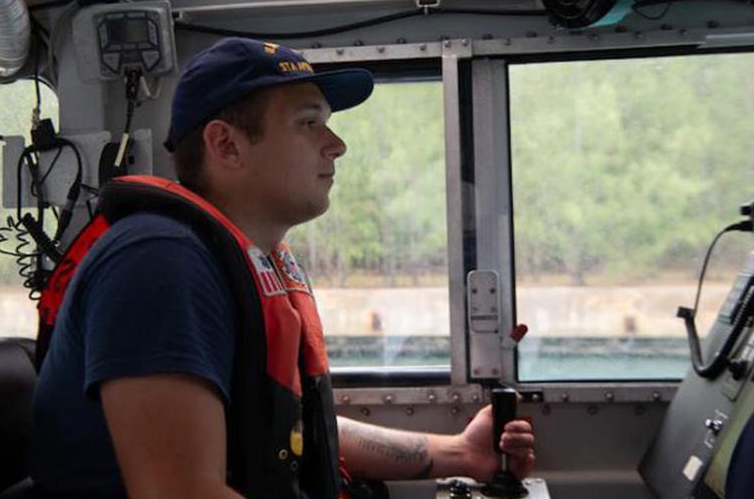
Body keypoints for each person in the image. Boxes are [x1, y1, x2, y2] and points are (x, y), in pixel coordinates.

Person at [30, 37, 535, 498]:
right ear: (227, 145)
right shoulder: (159, 263)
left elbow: (291, 430)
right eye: (308, 122)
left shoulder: (244, 262)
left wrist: (460, 454)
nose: (336, 144)